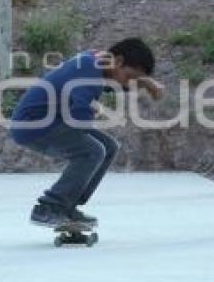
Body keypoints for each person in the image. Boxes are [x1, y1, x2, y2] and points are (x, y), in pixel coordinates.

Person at [9, 38, 163, 228]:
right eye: (130, 77)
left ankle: (67, 205)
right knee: (92, 151)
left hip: (47, 121)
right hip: (34, 126)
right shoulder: (89, 72)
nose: (128, 83)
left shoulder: (95, 59)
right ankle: (49, 207)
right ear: (119, 61)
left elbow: (109, 83)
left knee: (108, 147)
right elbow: (80, 113)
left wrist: (144, 82)